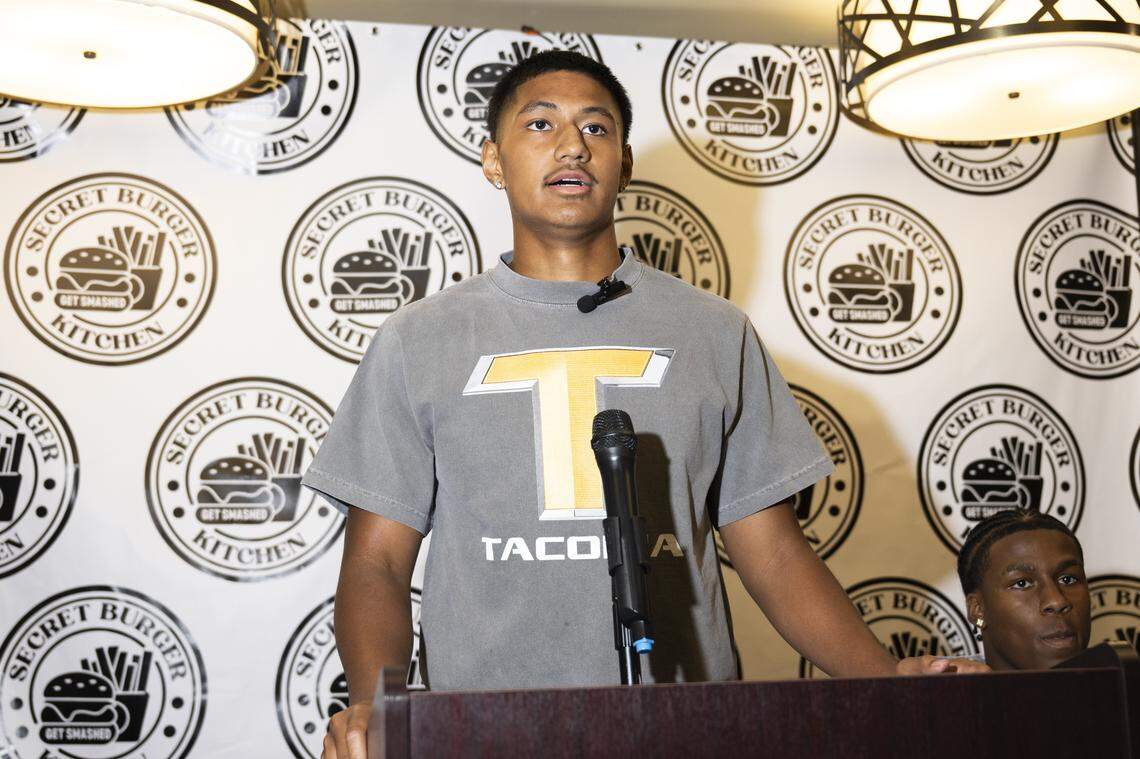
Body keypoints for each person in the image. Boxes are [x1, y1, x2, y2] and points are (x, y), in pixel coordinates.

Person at [302, 50, 988, 759]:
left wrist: (885, 681)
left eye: (596, 129)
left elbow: (774, 554)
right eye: (540, 124)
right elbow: (377, 562)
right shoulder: (419, 340)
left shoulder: (714, 332)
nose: (572, 145)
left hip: (684, 729)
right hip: (483, 733)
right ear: (493, 160)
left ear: (625, 163)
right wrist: (373, 707)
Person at [958, 509, 1091, 670]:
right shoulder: (939, 692)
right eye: (1022, 584)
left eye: (1068, 579)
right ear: (977, 609)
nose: (1057, 601)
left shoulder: (1125, 689)